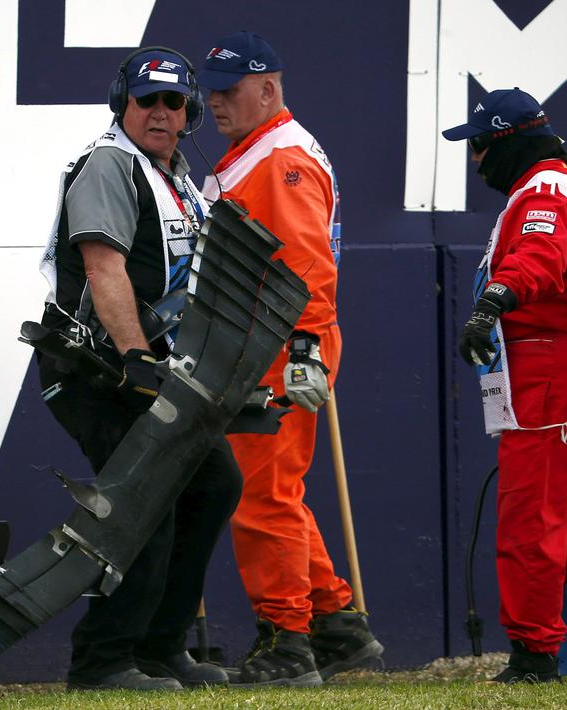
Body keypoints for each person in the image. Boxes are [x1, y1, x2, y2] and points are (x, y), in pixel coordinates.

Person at [35, 46, 240, 691]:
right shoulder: (109, 165)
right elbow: (104, 269)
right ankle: (102, 661)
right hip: (95, 367)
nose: (159, 112)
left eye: (173, 102)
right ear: (121, 103)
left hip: (150, 367)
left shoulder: (176, 177)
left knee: (212, 484)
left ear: (190, 111)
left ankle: (157, 649)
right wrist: (136, 359)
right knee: (148, 496)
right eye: (146, 99)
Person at [196, 31, 382, 686]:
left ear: (268, 88)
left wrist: (303, 349)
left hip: (278, 343)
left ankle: (287, 643)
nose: (214, 102)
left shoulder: (279, 159)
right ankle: (334, 623)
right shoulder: (264, 150)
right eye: (210, 91)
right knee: (273, 494)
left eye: (229, 90)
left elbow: (306, 262)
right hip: (270, 340)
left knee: (261, 499)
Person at [444, 87, 567, 684]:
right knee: (565, 521)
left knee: (530, 520)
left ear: (508, 142)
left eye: (479, 145)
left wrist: (491, 303)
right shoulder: (558, 188)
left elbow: (539, 256)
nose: (475, 159)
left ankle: (534, 656)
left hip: (556, 376)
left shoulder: (544, 195)